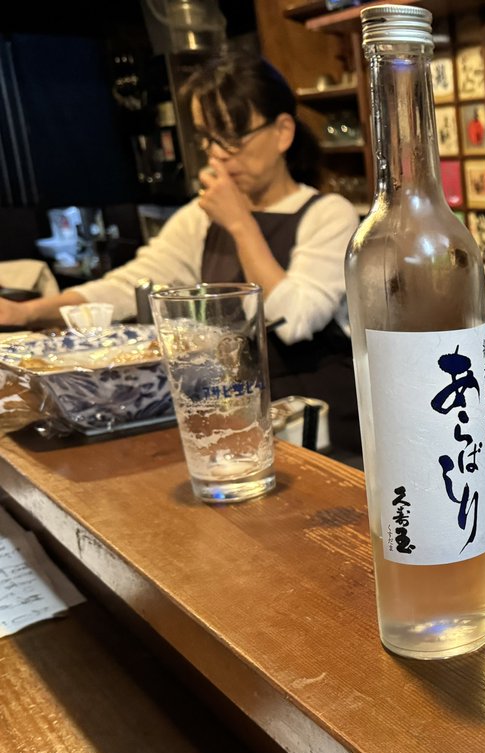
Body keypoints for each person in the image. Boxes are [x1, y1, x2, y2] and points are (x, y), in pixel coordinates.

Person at [0, 55, 362, 456]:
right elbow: (131, 283)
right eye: (208, 137)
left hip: (316, 423)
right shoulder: (201, 216)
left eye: (233, 136)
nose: (218, 155)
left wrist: (241, 224)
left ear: (282, 132)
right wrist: (25, 313)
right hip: (232, 415)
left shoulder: (329, 213)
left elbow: (295, 318)